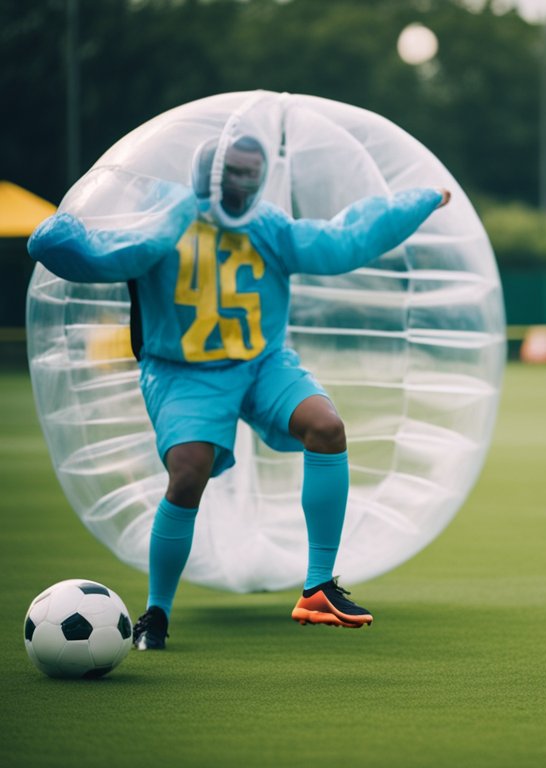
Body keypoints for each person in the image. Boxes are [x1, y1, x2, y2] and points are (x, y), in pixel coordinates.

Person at [28, 132, 451, 650]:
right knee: (188, 473)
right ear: (209, 171)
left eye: (253, 172)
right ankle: (156, 613)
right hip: (183, 371)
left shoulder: (266, 225)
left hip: (262, 363)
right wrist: (56, 232)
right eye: (235, 171)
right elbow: (96, 258)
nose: (245, 182)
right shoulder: (168, 220)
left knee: (327, 427)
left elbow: (342, 240)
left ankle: (319, 587)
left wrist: (419, 199)